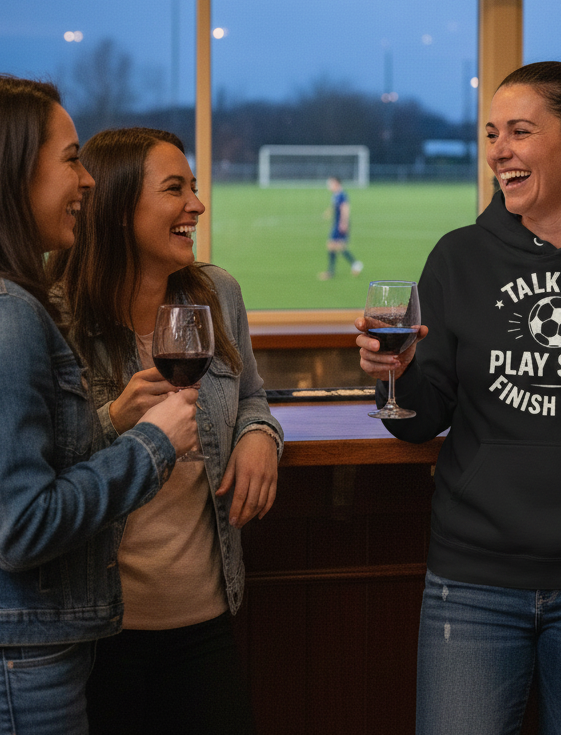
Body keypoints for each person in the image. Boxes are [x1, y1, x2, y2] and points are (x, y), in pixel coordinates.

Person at [357, 62, 561, 735]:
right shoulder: (458, 258)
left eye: (519, 131)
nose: (498, 149)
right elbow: (422, 421)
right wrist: (392, 372)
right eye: (490, 133)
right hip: (472, 582)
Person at [52, 127, 283, 735]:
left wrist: (260, 435)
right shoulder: (55, 317)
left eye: (196, 189)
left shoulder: (217, 294)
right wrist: (113, 421)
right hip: (100, 631)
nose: (196, 206)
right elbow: (38, 476)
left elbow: (253, 396)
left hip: (207, 619)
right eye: (175, 189)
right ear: (119, 208)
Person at [0, 79, 197, 735]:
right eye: (70, 158)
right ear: (15, 169)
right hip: (26, 661)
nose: (86, 180)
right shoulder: (15, 318)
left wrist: (108, 423)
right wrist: (155, 443)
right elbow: (22, 526)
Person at [319, 175, 363, 280]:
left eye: (330, 184)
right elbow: (334, 206)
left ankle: (331, 271)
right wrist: (328, 213)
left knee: (333, 245)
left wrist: (343, 223)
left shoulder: (342, 195)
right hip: (337, 223)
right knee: (337, 246)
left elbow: (345, 209)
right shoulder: (336, 195)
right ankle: (355, 264)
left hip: (340, 223)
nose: (329, 186)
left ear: (336, 183)